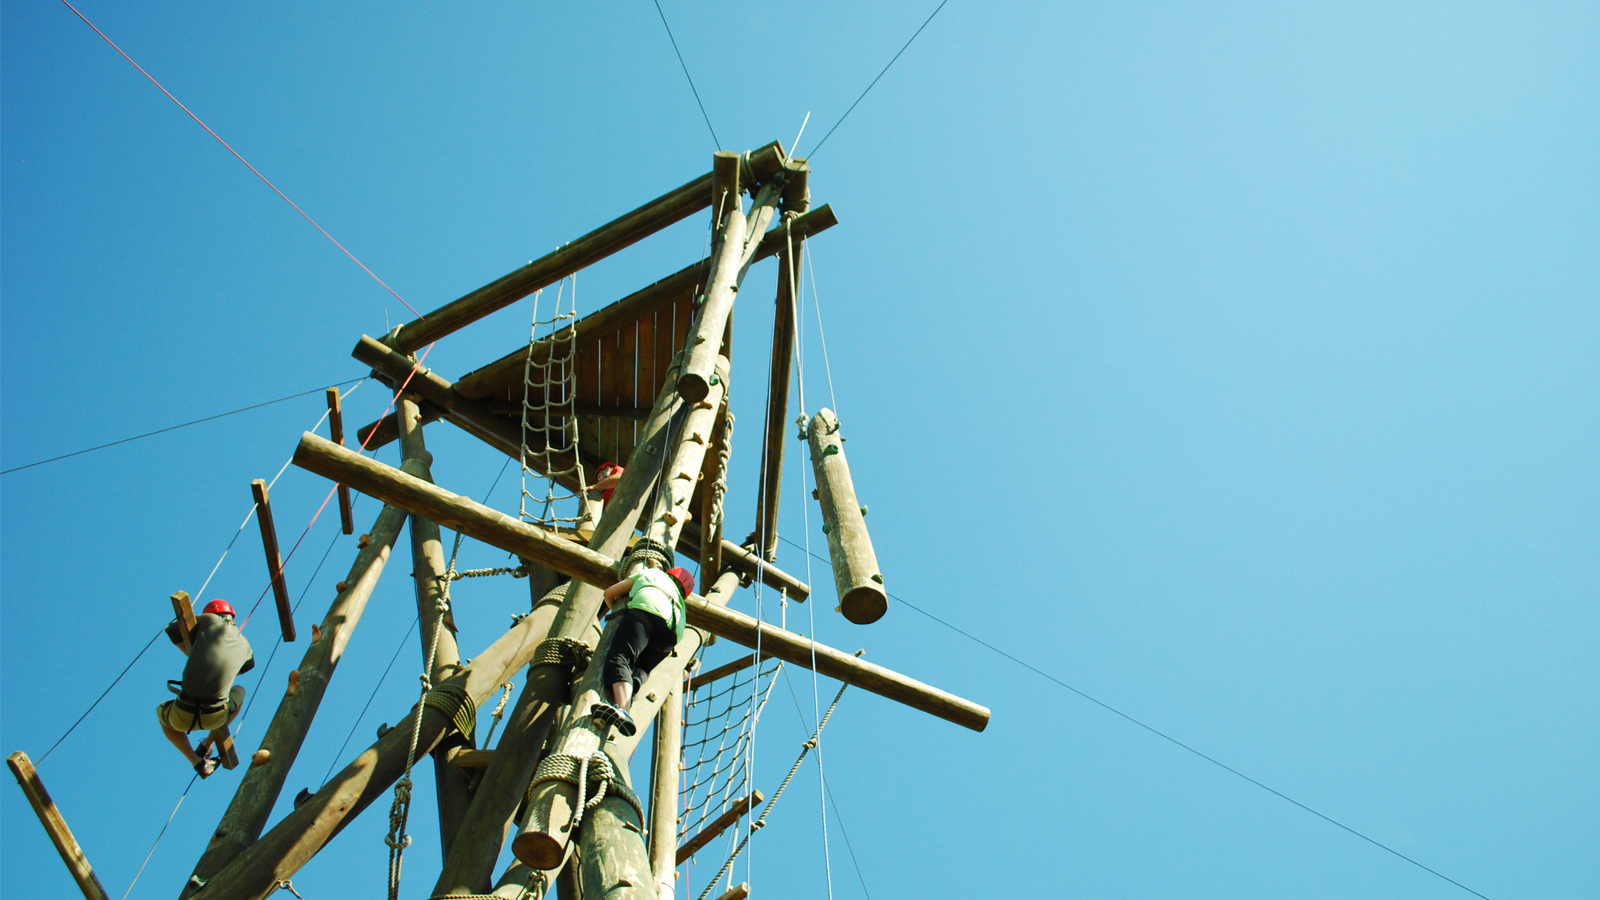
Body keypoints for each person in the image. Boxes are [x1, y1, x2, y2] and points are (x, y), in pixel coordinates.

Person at [590, 565, 694, 737]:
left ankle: (624, 709)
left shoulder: (652, 573)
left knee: (621, 658)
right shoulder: (680, 603)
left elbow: (609, 593)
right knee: (643, 667)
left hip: (647, 611)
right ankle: (637, 679)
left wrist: (616, 610)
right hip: (671, 636)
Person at [159, 599, 254, 777]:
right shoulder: (245, 644)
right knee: (240, 690)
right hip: (215, 716)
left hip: (183, 712)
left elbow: (172, 629)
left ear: (212, 613)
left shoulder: (210, 621)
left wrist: (194, 652)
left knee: (162, 713)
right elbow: (249, 665)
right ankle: (208, 743)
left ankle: (198, 763)